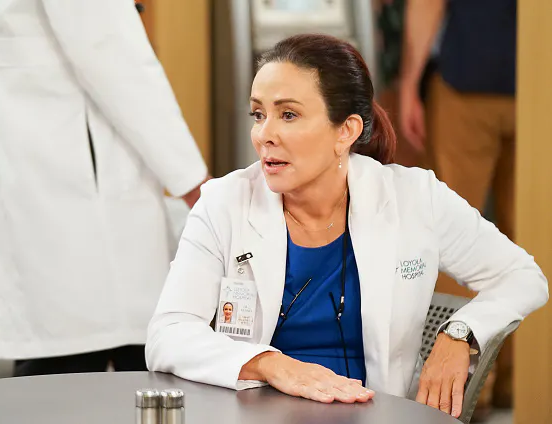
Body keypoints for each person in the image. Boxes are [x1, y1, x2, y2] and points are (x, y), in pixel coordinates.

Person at [145, 34, 547, 418]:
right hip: (254, 416)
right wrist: (270, 364)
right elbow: (168, 334)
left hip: (378, 415)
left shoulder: (414, 198)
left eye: (288, 115)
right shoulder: (224, 203)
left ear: (346, 131)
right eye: (258, 114)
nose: (264, 135)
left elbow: (523, 276)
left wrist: (460, 333)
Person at [0, 0, 208, 375]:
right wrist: (193, 182)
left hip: (17, 155)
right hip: (72, 171)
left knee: (56, 339)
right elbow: (114, 57)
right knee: (102, 343)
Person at [398, 0, 519, 416]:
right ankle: (520, 380)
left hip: (467, 77)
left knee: (455, 243)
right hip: (538, 82)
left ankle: (465, 389)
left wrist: (411, 81)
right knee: (533, 238)